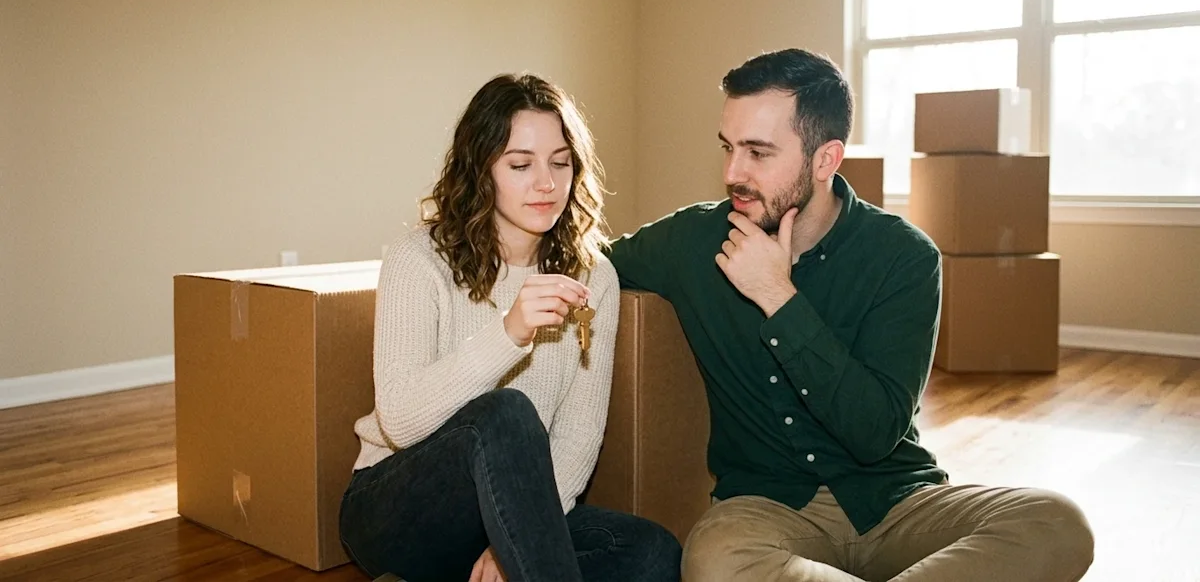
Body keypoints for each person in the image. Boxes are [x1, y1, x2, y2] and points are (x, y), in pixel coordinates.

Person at [605, 49, 1094, 582]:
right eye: (728, 148)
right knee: (713, 561)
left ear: (825, 160)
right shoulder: (691, 240)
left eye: (758, 153)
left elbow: (874, 432)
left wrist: (779, 299)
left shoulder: (904, 257)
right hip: (765, 510)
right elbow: (590, 265)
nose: (732, 173)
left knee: (1057, 522)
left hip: (893, 501)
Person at [340, 74, 682, 582]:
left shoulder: (594, 277)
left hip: (517, 508)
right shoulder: (419, 260)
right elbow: (401, 422)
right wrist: (509, 334)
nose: (546, 182)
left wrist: (509, 546)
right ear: (481, 170)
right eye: (520, 164)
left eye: (560, 162)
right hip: (396, 507)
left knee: (654, 553)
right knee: (504, 414)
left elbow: (579, 432)